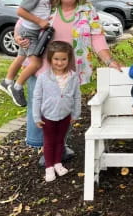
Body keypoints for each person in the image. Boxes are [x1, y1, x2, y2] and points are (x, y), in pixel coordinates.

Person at [14, 0, 122, 161]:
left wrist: (109, 60)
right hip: (43, 68)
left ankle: (60, 146)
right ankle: (45, 150)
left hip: (70, 70)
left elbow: (97, 37)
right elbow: (23, 21)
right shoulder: (49, 6)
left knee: (65, 108)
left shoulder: (87, 10)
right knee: (42, 108)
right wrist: (18, 37)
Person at [0, 0, 57, 107]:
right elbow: (21, 12)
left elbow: (39, 12)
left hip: (29, 30)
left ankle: (7, 81)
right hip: (29, 32)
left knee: (20, 58)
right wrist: (39, 21)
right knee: (36, 63)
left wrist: (47, 19)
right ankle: (17, 87)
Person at [32, 41, 81, 182]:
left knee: (60, 140)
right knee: (48, 142)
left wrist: (75, 113)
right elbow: (37, 97)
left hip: (65, 116)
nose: (60, 63)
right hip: (47, 116)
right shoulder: (43, 77)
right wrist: (36, 117)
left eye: (63, 59)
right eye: (56, 59)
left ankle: (58, 163)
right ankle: (49, 167)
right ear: (50, 59)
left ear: (68, 59)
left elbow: (77, 96)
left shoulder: (73, 77)